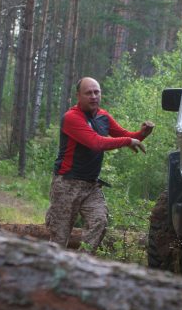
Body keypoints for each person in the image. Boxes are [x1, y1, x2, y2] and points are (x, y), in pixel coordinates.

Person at [45, 77, 154, 252]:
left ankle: (81, 264)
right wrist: (129, 140)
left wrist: (142, 133)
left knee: (99, 222)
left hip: (91, 186)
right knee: (59, 237)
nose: (94, 96)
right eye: (88, 93)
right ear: (78, 96)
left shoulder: (103, 116)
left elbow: (125, 135)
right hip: (66, 184)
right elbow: (96, 142)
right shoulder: (71, 118)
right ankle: (50, 271)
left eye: (97, 92)